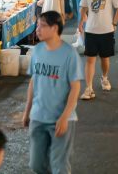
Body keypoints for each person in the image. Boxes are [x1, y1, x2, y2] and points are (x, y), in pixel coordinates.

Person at [22, 12, 82, 174]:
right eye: (37, 26)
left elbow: (75, 88)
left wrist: (64, 117)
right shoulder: (38, 51)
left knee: (59, 166)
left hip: (61, 119)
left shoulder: (69, 54)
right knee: (36, 164)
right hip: (38, 117)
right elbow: (33, 82)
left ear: (55, 28)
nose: (37, 30)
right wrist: (27, 112)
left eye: (42, 26)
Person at [79, 0, 118, 100]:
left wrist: (114, 23)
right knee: (90, 59)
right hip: (91, 30)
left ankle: (104, 78)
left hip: (106, 30)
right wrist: (82, 21)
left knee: (105, 58)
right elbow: (83, 7)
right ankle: (88, 88)